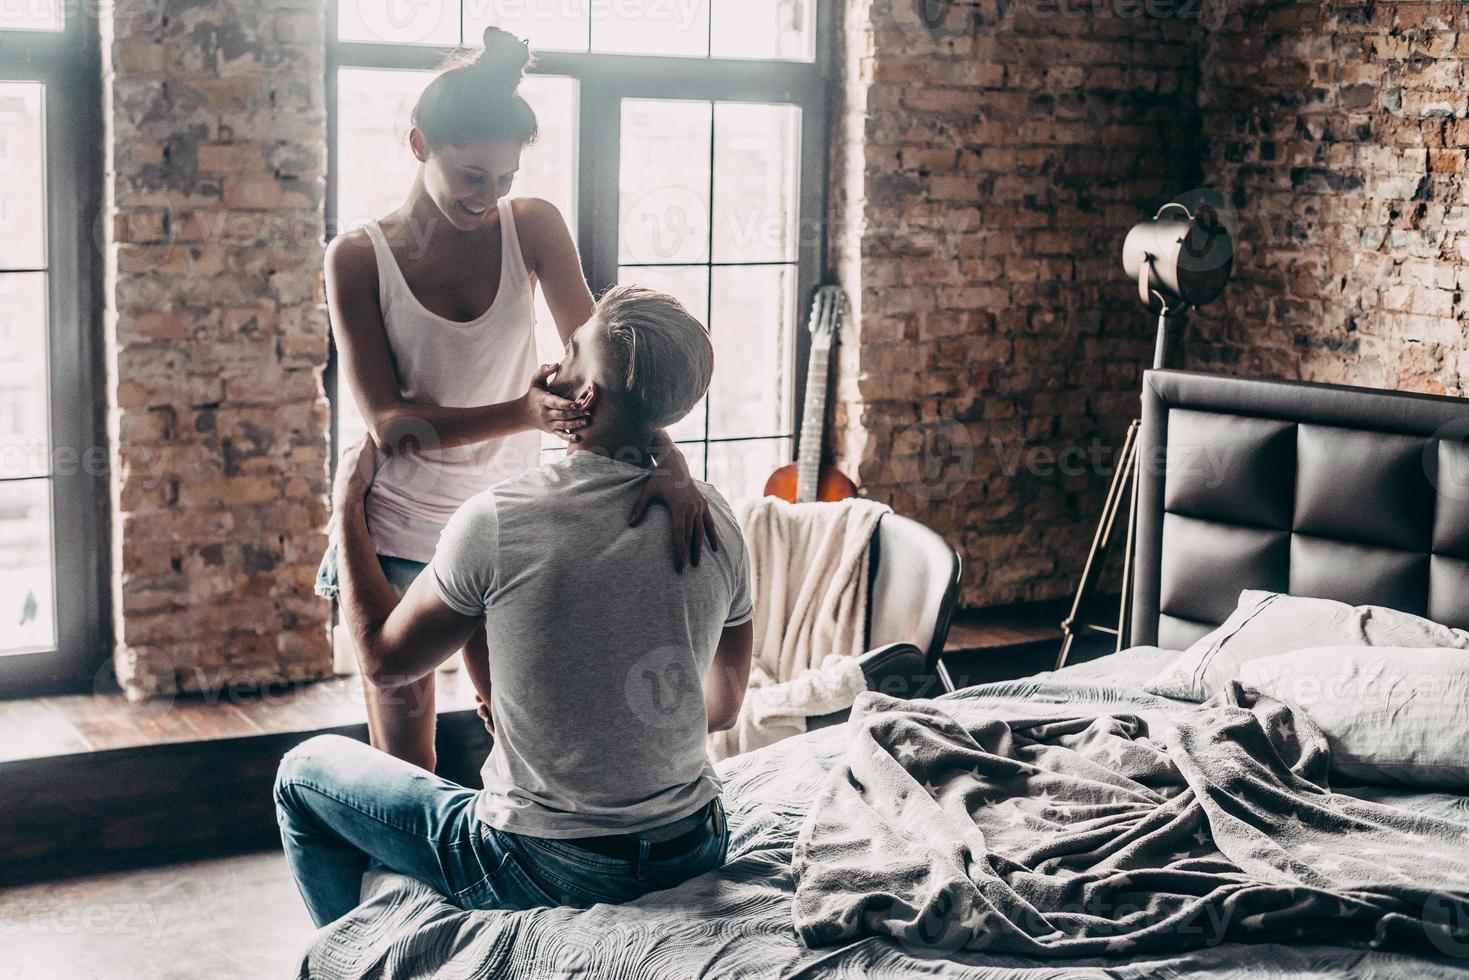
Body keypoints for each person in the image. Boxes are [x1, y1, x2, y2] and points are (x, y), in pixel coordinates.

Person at [275, 285, 755, 927]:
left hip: (545, 862)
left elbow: (384, 663)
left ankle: (351, 956)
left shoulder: (499, 521)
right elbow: (720, 711)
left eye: (570, 349)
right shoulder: (716, 518)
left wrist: (345, 509)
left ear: (584, 397)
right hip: (692, 842)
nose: (552, 366)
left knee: (303, 773)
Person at [316, 27, 715, 772]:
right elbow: (390, 425)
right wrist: (524, 414)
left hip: (507, 524)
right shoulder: (357, 256)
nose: (487, 197)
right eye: (471, 175)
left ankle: (530, 878)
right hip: (396, 529)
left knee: (523, 727)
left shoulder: (531, 225)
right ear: (416, 144)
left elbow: (608, 366)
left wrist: (672, 464)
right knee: (407, 758)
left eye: (503, 177)